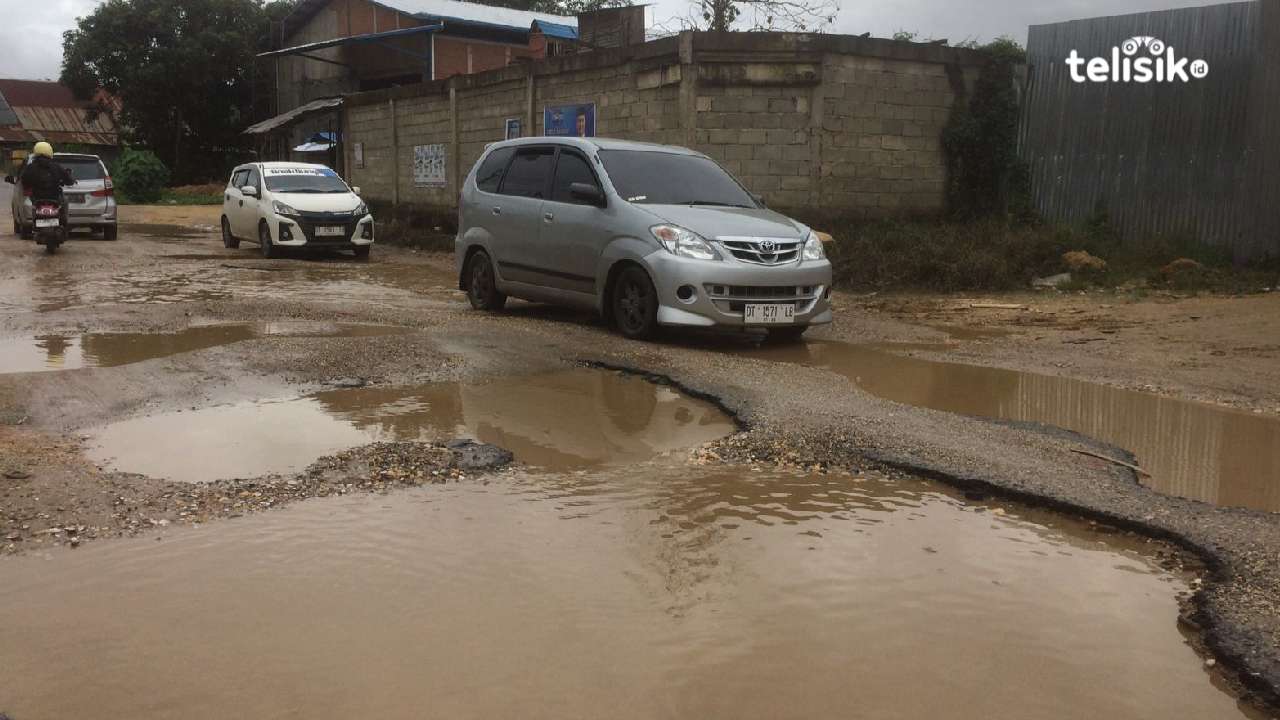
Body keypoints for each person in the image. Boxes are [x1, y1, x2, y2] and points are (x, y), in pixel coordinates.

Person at [20, 142, 74, 232]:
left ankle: (36, 221)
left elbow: (24, 180)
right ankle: (64, 223)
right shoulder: (56, 166)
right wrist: (70, 181)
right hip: (54, 197)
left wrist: (30, 185)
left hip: (37, 198)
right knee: (65, 201)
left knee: (33, 205)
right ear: (50, 152)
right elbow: (67, 178)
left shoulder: (30, 167)